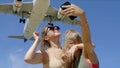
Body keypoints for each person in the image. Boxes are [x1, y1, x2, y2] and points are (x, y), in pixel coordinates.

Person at [61, 4, 99, 68]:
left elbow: (87, 43)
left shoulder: (86, 54)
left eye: (76, 42)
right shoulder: (72, 62)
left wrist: (82, 16)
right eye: (71, 43)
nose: (73, 45)